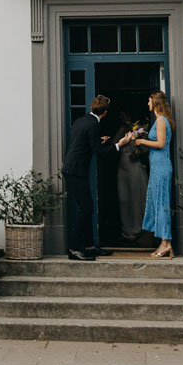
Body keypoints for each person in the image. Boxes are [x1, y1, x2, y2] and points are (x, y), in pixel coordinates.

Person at [63, 94, 112, 261]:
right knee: (86, 208)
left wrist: (99, 141)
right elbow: (99, 153)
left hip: (72, 169)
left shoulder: (82, 120)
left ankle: (90, 245)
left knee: (87, 207)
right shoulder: (94, 125)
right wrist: (119, 145)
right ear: (104, 112)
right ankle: (74, 248)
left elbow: (84, 141)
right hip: (76, 171)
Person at [129, 91, 175, 258]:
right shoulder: (158, 121)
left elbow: (161, 143)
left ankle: (166, 243)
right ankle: (164, 242)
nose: (147, 104)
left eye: (149, 101)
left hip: (162, 167)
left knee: (162, 204)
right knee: (157, 203)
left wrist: (141, 141)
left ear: (155, 103)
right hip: (157, 167)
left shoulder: (161, 121)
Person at [113, 119, 149, 244]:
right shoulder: (122, 130)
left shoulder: (141, 130)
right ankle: (126, 231)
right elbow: (114, 145)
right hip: (122, 167)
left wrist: (137, 152)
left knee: (136, 198)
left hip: (134, 166)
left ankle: (137, 230)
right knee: (124, 199)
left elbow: (146, 148)